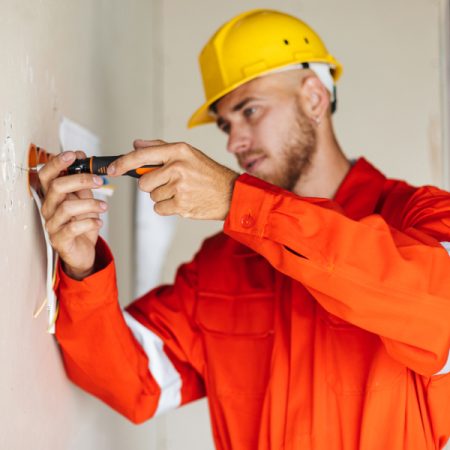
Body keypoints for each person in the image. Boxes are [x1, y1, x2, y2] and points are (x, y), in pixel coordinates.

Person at [38, 9, 450, 450]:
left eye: (249, 110)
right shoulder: (220, 266)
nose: (235, 143)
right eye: (226, 125)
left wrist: (241, 202)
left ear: (313, 97)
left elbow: (434, 308)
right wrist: (82, 269)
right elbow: (134, 382)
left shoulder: (421, 218)